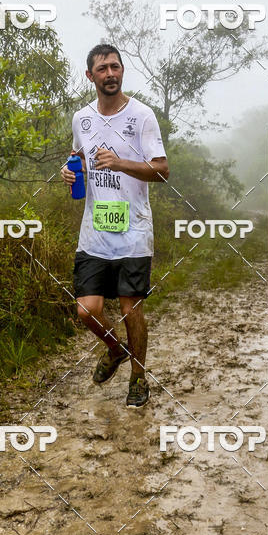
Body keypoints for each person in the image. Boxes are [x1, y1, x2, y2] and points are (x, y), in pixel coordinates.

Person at [60, 43, 169, 407]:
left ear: (122, 71)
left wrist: (121, 163)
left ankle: (138, 378)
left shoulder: (142, 116)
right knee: (86, 309)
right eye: (102, 69)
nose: (110, 74)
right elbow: (79, 154)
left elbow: (162, 171)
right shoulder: (81, 118)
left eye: (115, 67)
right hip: (94, 232)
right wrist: (69, 169)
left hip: (134, 231)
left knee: (130, 309)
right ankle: (115, 349)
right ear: (90, 76)